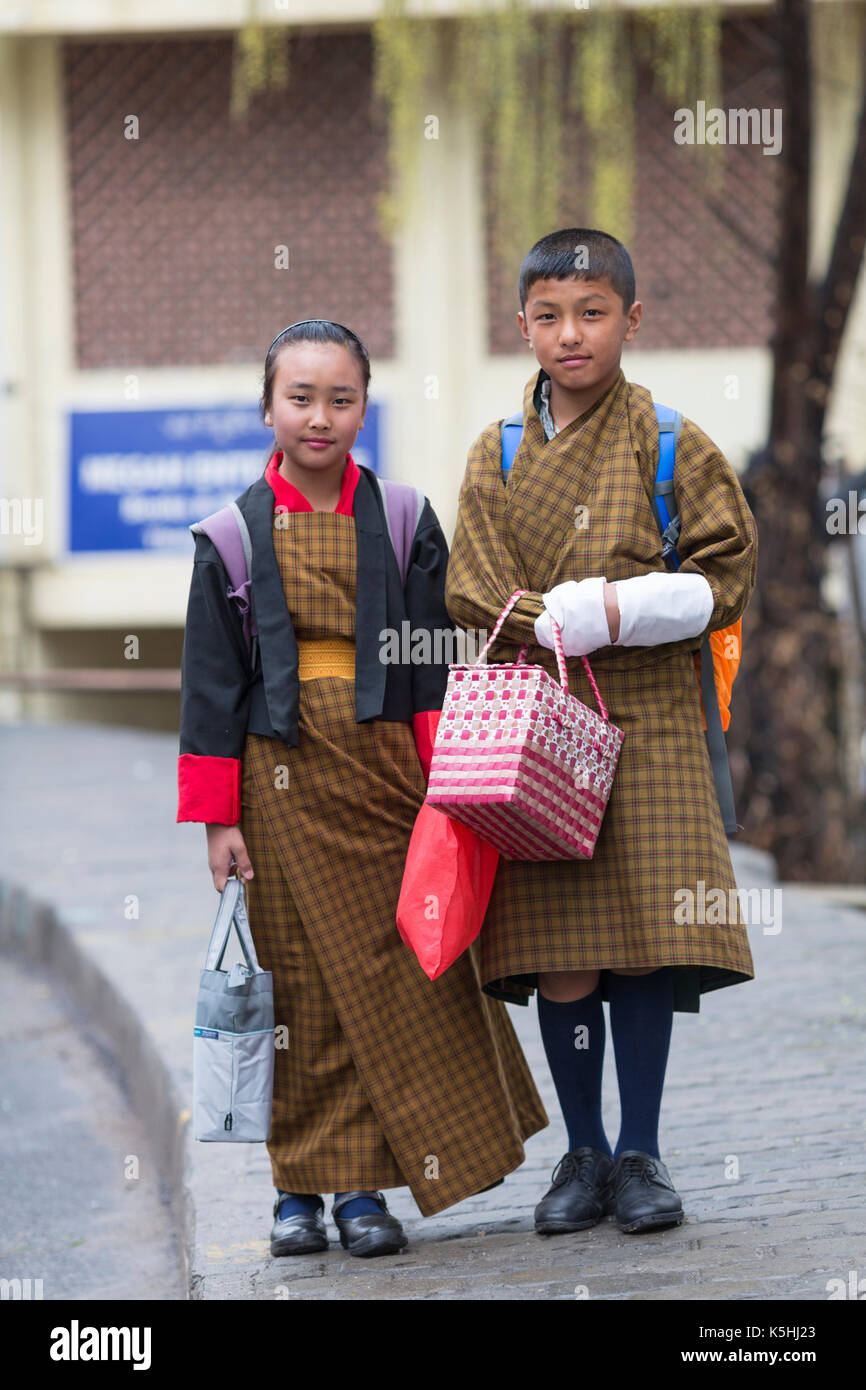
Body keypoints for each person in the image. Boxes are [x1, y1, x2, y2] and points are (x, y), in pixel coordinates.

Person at [177, 318, 547, 1259]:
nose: (320, 416)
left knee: (394, 983)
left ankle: (365, 1192)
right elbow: (211, 686)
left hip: (391, 781)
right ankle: (296, 1194)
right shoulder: (226, 537)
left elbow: (430, 665)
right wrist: (218, 819)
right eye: (300, 397)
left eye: (341, 398)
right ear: (268, 406)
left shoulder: (403, 518)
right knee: (301, 989)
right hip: (280, 786)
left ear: (365, 408)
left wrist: (447, 788)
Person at [444, 229, 758, 1236]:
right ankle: (578, 1154)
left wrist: (620, 611)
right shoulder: (494, 454)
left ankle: (641, 1151)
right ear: (522, 325)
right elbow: (468, 584)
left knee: (640, 945)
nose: (568, 334)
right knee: (565, 951)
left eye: (590, 313)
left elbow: (723, 576)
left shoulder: (672, 441)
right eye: (547, 315)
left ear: (630, 318)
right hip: (540, 727)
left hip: (655, 720)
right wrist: (553, 622)